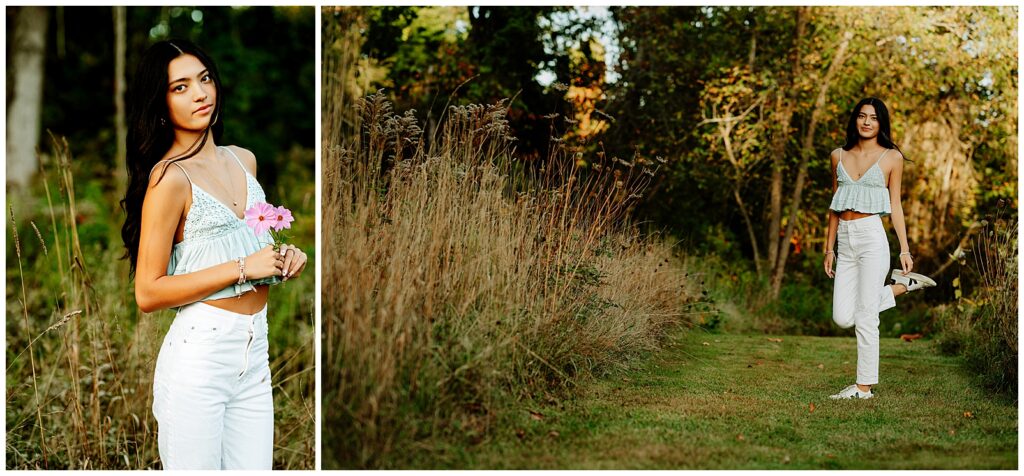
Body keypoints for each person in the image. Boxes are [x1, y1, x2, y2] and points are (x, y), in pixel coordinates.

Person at [119, 39, 308, 469]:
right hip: (199, 360)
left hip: (254, 354)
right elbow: (147, 293)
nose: (200, 93)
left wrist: (281, 257)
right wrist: (244, 268)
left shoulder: (244, 160)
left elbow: (251, 244)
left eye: (204, 79)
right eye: (180, 87)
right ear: (161, 103)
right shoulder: (169, 180)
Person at [823, 97, 935, 400]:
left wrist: (905, 250)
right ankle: (902, 287)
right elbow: (834, 205)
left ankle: (863, 388)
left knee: (867, 316)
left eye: (873, 117)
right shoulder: (838, 156)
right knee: (844, 317)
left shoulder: (891, 158)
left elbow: (895, 206)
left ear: (881, 123)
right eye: (862, 116)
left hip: (872, 237)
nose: (867, 122)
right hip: (845, 240)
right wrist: (829, 248)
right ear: (855, 120)